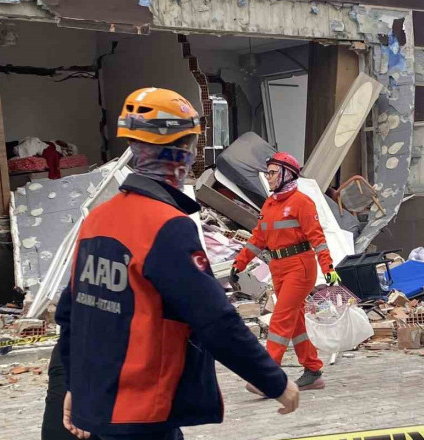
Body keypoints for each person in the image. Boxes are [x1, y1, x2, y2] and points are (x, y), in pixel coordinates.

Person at [51, 88, 299, 440]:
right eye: (192, 144)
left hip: (102, 411)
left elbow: (73, 315)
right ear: (180, 150)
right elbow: (214, 319)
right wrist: (274, 381)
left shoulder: (97, 221)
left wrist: (77, 387)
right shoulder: (166, 226)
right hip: (143, 414)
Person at [231, 152, 338, 393]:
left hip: (299, 268)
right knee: (296, 322)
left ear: (287, 175)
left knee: (280, 319)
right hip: (278, 268)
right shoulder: (270, 204)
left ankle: (268, 378)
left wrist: (328, 268)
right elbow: (258, 239)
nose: (268, 177)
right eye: (267, 172)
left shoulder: (302, 202)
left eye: (272, 172)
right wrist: (238, 264)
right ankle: (313, 371)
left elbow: (318, 240)